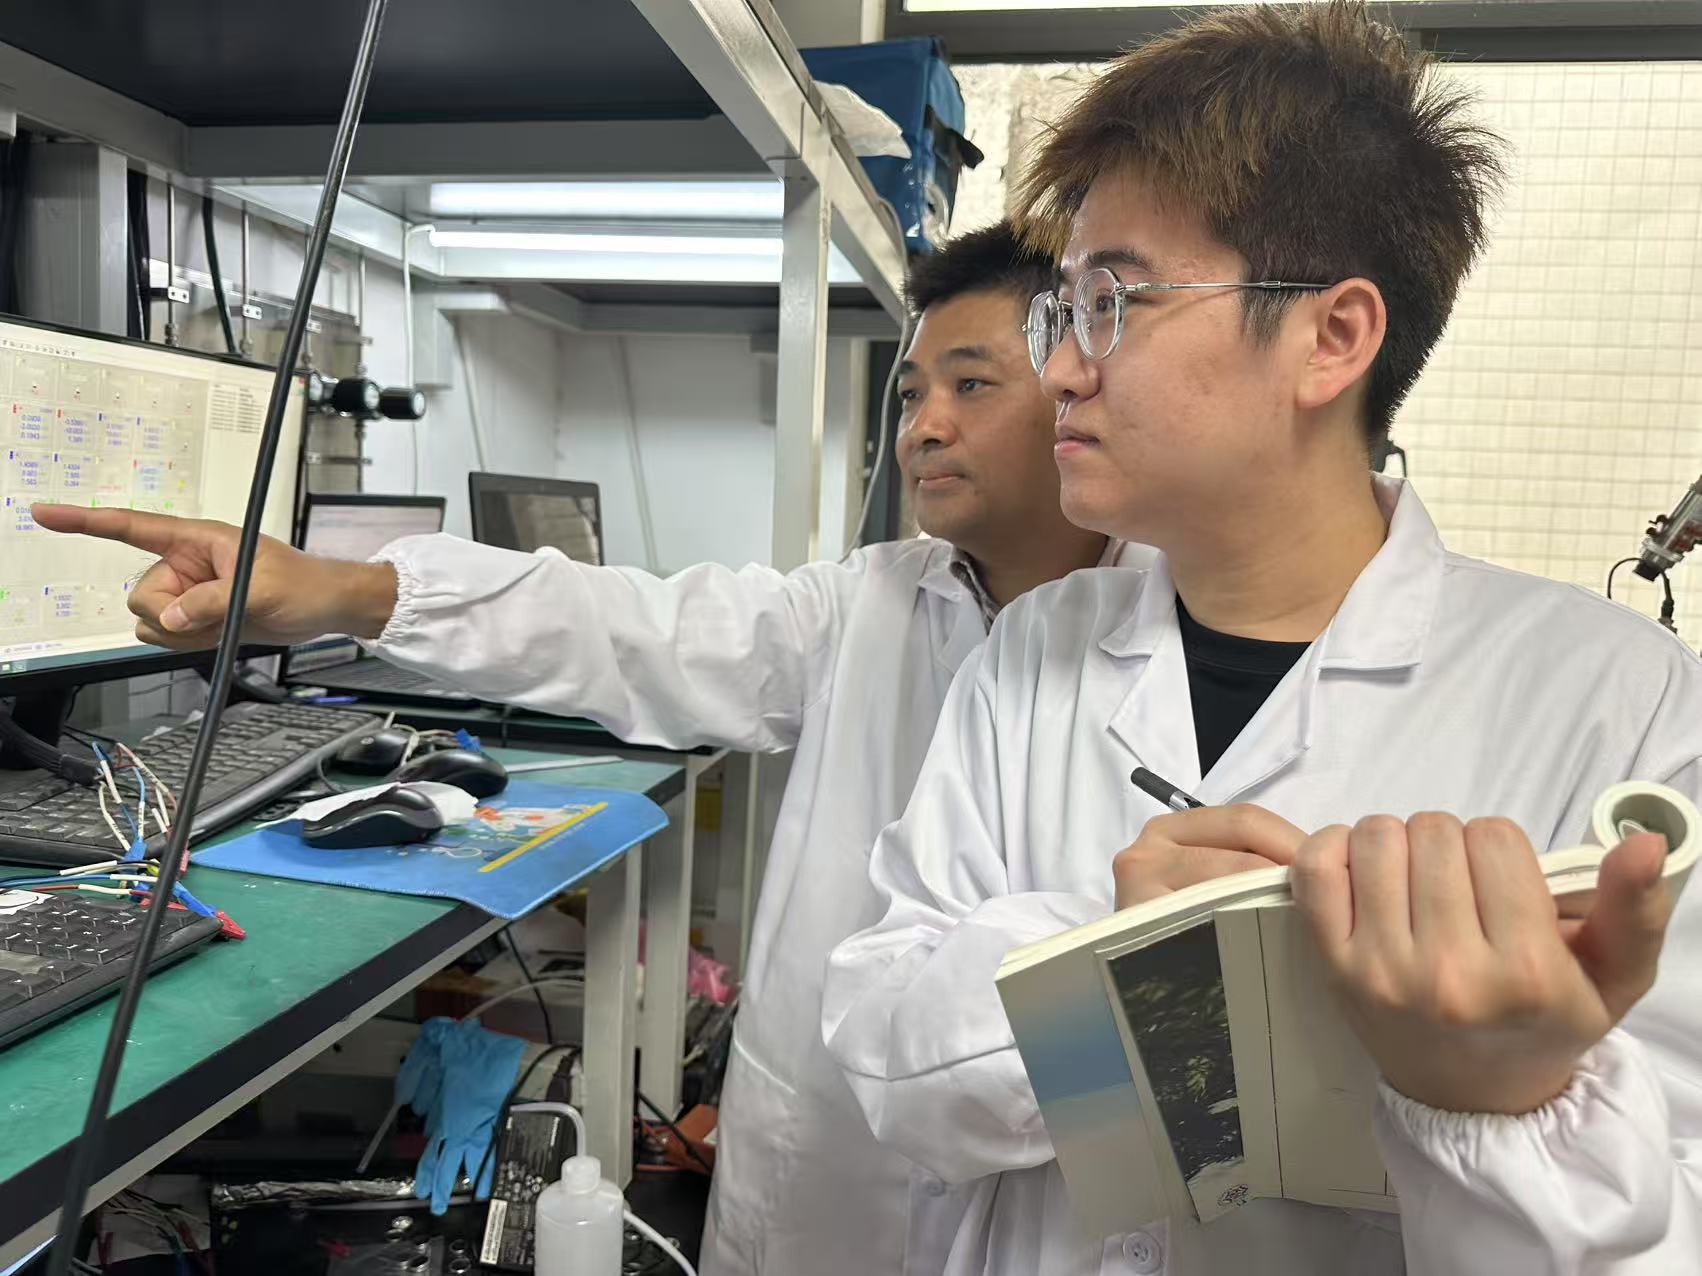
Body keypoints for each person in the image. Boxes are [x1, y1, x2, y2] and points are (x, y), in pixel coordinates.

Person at [33, 223, 1151, 1276]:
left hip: (1052, 1185)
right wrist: (344, 593)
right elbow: (621, 624)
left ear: (1071, 389)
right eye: (910, 392)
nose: (922, 425)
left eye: (969, 383)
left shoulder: (1179, 647)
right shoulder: (868, 605)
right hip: (830, 1173)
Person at [822, 5, 1702, 1274]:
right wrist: (1116, 969)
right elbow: (888, 1062)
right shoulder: (1034, 653)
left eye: (1112, 302)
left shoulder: (1623, 710)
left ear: (1331, 338)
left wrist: (1497, 1103)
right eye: (1060, 311)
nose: (1062, 369)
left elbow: (1665, 1227)